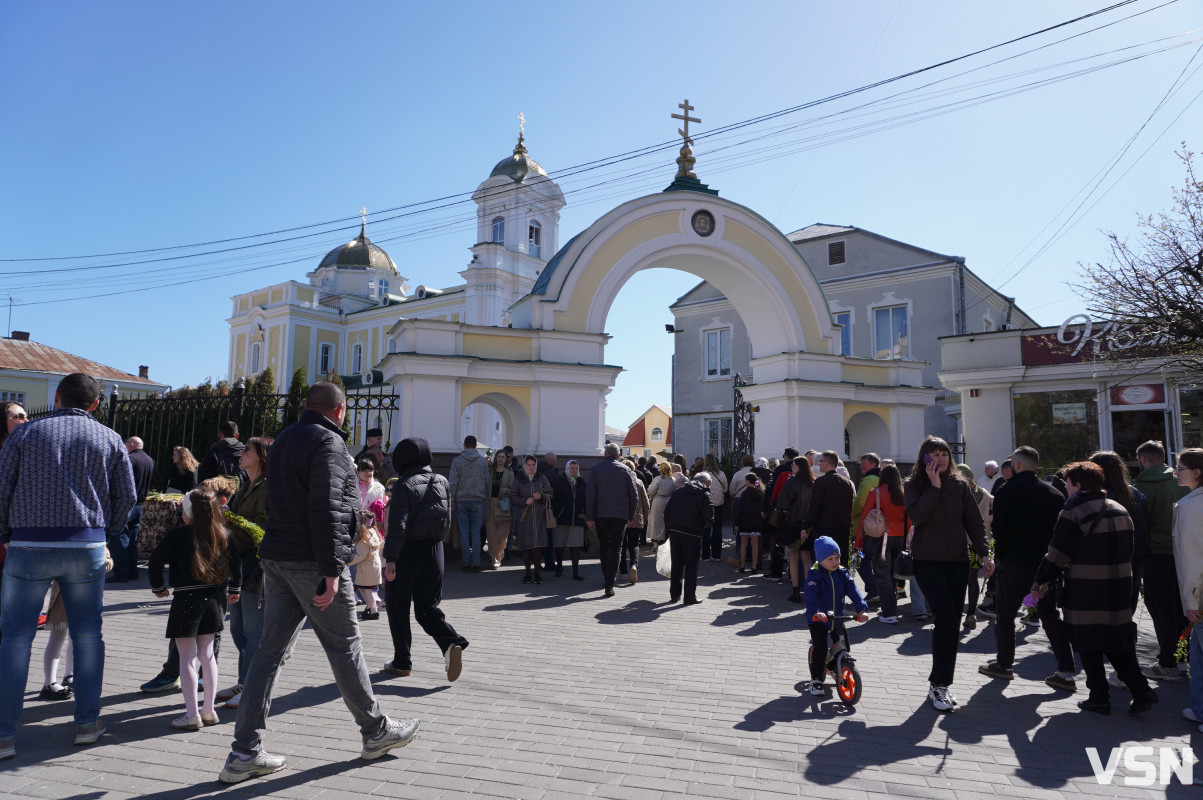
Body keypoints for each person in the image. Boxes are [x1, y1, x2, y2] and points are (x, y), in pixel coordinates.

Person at [219, 382, 418, 784]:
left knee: (268, 653)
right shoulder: (329, 444)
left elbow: (280, 501)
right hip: (313, 561)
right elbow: (327, 508)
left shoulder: (288, 437)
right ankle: (376, 732)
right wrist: (331, 570)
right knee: (345, 646)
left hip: (276, 556)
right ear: (340, 411)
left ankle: (244, 752)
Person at [0, 374, 134, 758]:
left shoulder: (25, 435)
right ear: (95, 404)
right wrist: (106, 531)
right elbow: (126, 496)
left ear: (56, 398)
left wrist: (6, 533)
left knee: (15, 639)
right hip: (86, 544)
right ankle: (87, 725)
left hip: (28, 544)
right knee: (88, 635)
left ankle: (5, 735)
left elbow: (1, 486)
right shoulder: (109, 438)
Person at [1030, 461, 1157, 715]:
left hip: (1085, 587)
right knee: (1116, 641)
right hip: (1119, 585)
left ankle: (1098, 696)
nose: (1065, 487)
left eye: (1067, 482)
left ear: (1077, 485)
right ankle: (1141, 691)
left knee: (1087, 641)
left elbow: (1057, 553)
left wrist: (1040, 582)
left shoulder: (1075, 510)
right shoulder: (1120, 509)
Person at [905, 436, 992, 712]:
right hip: (928, 561)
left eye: (944, 453)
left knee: (952, 622)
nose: (940, 458)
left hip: (958, 560)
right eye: (934, 454)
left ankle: (940, 684)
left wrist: (986, 553)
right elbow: (917, 517)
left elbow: (974, 522)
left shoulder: (960, 485)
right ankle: (939, 684)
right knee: (944, 617)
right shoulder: (914, 485)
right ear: (924, 458)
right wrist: (934, 487)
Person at [148, 487, 242, 730]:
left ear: (187, 512)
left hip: (185, 597)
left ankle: (191, 714)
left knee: (187, 657)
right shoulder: (223, 533)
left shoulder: (178, 535)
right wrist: (235, 589)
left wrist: (158, 586)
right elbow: (236, 561)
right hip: (215, 597)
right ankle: (208, 710)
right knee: (207, 653)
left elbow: (156, 560)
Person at [381, 437, 469, 682]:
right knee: (426, 608)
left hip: (407, 552)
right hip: (435, 550)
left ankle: (402, 662)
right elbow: (447, 519)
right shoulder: (442, 480)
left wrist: (390, 558)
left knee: (398, 607)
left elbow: (397, 526)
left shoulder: (403, 484)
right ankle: (452, 643)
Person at [220, 436, 271, 710]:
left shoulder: (268, 486)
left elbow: (262, 527)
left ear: (262, 456)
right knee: (238, 626)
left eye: (248, 449)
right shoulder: (246, 484)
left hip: (256, 564)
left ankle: (252, 688)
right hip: (238, 562)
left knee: (253, 629)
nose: (242, 453)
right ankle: (244, 680)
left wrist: (228, 517)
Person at [1134, 439, 1190, 683]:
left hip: (1157, 554)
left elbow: (1141, 523)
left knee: (1161, 609)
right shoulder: (1180, 482)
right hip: (1183, 552)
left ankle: (1167, 661)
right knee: (1181, 606)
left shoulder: (1143, 486)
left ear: (1143, 460)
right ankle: (1183, 655)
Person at [802, 536, 870, 696]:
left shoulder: (842, 573)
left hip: (837, 618)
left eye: (837, 558)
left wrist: (861, 609)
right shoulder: (815, 574)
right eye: (830, 559)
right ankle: (816, 680)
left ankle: (835, 665)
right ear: (820, 559)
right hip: (818, 619)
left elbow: (853, 590)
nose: (834, 562)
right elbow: (810, 595)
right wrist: (816, 611)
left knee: (844, 644)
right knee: (819, 648)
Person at [1170, 448, 1203, 729]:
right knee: (1197, 652)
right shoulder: (1190, 503)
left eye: (1180, 467)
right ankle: (1200, 708)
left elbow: (1192, 557)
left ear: (1196, 472)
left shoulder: (1192, 507)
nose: (1175, 471)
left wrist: (1190, 599)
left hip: (1200, 593)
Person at [585, 443, 638, 598]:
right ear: (618, 456)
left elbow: (590, 495)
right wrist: (631, 515)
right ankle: (610, 582)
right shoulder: (626, 469)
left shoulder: (595, 469)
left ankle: (606, 578)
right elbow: (633, 495)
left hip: (601, 515)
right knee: (616, 548)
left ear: (605, 454)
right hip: (620, 515)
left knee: (604, 546)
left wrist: (590, 516)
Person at [858, 463, 908, 624]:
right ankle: (891, 609)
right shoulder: (904, 493)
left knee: (881, 575)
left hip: (881, 537)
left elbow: (864, 517)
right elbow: (910, 518)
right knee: (893, 574)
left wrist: (858, 541)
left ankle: (888, 612)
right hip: (900, 537)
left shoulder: (876, 493)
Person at [108, 436, 154, 583]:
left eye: (126, 443)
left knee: (119, 537)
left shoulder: (130, 459)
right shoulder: (149, 460)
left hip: (127, 504)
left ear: (132, 444)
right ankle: (132, 571)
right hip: (140, 504)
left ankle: (121, 572)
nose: (124, 446)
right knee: (132, 541)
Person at [663, 472, 713, 605]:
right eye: (709, 484)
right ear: (703, 481)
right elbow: (709, 517)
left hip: (675, 532)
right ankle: (689, 596)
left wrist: (669, 528)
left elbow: (667, 512)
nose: (709, 487)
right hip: (693, 534)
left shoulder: (678, 492)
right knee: (691, 567)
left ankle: (675, 595)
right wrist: (704, 525)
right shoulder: (704, 495)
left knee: (676, 565)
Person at [799, 451, 855, 568]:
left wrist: (806, 527)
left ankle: (826, 586)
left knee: (824, 562)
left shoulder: (820, 482)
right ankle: (840, 585)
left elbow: (814, 507)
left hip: (824, 529)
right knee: (841, 562)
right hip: (843, 528)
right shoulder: (847, 482)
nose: (819, 464)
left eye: (821, 461)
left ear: (828, 464)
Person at [954, 465, 992, 631]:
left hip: (960, 541)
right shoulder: (983, 493)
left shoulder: (959, 493)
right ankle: (971, 613)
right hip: (977, 542)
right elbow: (996, 502)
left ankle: (955, 615)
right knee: (973, 577)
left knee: (957, 579)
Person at [773, 457, 815, 603]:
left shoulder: (792, 482)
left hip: (792, 522)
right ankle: (810, 591)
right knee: (806, 558)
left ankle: (796, 590)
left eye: (794, 465)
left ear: (800, 467)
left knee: (793, 556)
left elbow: (782, 503)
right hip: (808, 524)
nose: (792, 467)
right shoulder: (812, 483)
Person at [448, 436, 489, 573]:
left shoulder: (457, 461)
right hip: (478, 500)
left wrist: (452, 501)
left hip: (461, 500)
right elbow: (487, 480)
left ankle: (466, 564)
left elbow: (452, 483)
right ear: (476, 445)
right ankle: (476, 564)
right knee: (476, 533)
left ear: (464, 445)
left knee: (464, 533)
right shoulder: (483, 462)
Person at [510, 455, 553, 585]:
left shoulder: (541, 477)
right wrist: (524, 501)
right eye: (529, 465)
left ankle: (537, 573)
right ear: (524, 466)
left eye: (533, 465)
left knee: (537, 547)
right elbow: (512, 496)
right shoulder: (519, 479)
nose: (531, 467)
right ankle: (527, 572)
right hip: (525, 518)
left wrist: (541, 496)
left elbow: (551, 494)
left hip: (539, 519)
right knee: (526, 547)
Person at [551, 460, 587, 580]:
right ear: (567, 469)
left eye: (576, 468)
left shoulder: (581, 482)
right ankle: (559, 567)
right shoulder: (559, 481)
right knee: (559, 545)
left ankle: (575, 572)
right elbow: (553, 499)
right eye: (572, 468)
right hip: (562, 518)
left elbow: (585, 500)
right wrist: (556, 513)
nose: (574, 470)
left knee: (575, 546)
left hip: (577, 519)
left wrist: (586, 515)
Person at [619, 459, 650, 584]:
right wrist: (645, 518)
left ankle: (624, 574)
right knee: (634, 545)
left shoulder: (619, 482)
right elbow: (646, 503)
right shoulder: (639, 482)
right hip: (636, 519)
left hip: (621, 519)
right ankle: (634, 565)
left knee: (621, 546)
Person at [350, 511, 384, 621]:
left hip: (366, 566)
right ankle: (370, 608)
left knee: (366, 588)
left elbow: (361, 555)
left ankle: (373, 611)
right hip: (375, 564)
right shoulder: (374, 531)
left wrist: (348, 562)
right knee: (363, 587)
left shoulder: (362, 535)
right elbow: (381, 545)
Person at [484, 451, 514, 569]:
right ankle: (494, 558)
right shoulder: (489, 472)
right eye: (499, 456)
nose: (501, 459)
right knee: (492, 536)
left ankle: (500, 553)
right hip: (490, 506)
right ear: (496, 458)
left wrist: (507, 491)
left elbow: (514, 491)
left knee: (503, 535)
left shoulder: (510, 474)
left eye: (503, 457)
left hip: (503, 507)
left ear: (506, 459)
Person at [733, 473, 764, 573]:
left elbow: (740, 509)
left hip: (745, 521)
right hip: (756, 521)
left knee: (744, 544)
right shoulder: (760, 492)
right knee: (755, 544)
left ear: (747, 481)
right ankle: (754, 567)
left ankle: (742, 566)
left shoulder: (745, 493)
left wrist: (736, 523)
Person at [700, 453, 729, 562]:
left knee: (706, 529)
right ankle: (716, 555)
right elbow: (725, 489)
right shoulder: (721, 474)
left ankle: (705, 555)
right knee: (717, 530)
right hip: (719, 504)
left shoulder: (702, 475)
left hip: (706, 505)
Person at [646, 462, 675, 548]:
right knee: (666, 521)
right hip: (668, 500)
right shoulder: (672, 479)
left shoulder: (658, 479)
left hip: (658, 500)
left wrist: (650, 490)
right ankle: (665, 541)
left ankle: (655, 543)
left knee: (656, 521)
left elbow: (651, 491)